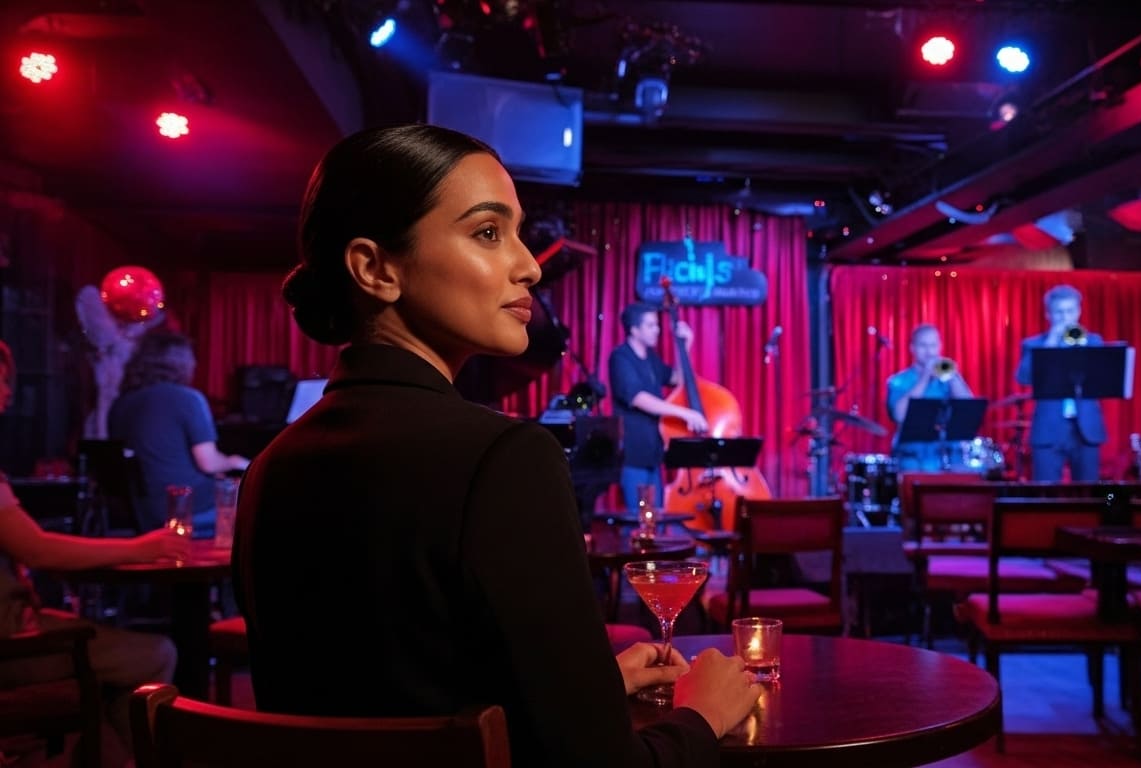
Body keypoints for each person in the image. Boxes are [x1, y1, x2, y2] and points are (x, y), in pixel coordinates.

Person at [234, 124, 760, 767]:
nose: (529, 265)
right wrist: (702, 716)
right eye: (488, 232)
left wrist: (582, 689)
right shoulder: (505, 458)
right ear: (375, 268)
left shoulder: (270, 466)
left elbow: (390, 694)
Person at [0, 339, 186, 757]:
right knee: (158, 653)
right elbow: (39, 550)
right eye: (3, 381)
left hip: (14, 629)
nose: (10, 393)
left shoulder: (126, 403)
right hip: (11, 646)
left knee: (99, 660)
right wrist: (142, 548)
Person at [108, 332, 250, 536]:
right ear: (182, 363)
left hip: (142, 509)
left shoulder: (121, 404)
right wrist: (235, 461)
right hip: (186, 505)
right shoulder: (187, 398)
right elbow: (208, 462)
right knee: (264, 497)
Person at [608, 302, 708, 513]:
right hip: (633, 454)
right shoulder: (620, 357)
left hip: (654, 454)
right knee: (638, 521)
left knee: (656, 520)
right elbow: (638, 398)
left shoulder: (652, 359)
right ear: (634, 330)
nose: (658, 329)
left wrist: (685, 346)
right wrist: (684, 412)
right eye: (651, 325)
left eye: (657, 325)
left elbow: (678, 379)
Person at [1015, 284, 1108, 482]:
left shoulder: (1093, 342)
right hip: (1048, 429)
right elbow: (1023, 378)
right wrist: (1050, 342)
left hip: (1086, 430)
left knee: (1090, 495)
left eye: (1070, 311)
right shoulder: (1034, 344)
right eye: (1059, 312)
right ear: (1048, 315)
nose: (1065, 318)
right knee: (1045, 495)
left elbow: (1103, 379)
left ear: (1079, 311)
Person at [885, 324, 975, 472]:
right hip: (913, 458)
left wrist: (955, 378)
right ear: (912, 348)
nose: (929, 352)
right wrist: (925, 376)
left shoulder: (946, 381)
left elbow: (969, 410)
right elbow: (900, 415)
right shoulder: (898, 381)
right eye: (923, 346)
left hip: (949, 456)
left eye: (933, 345)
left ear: (940, 346)